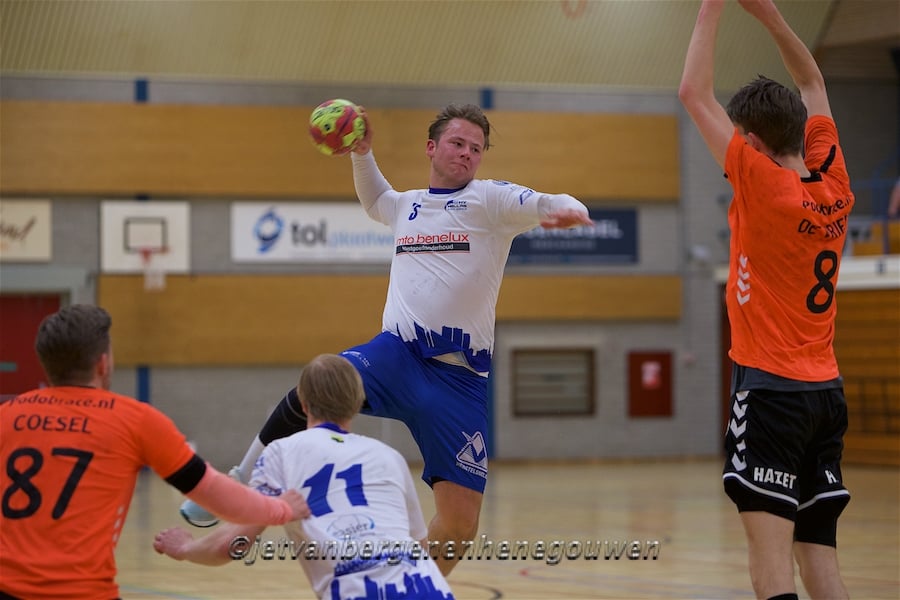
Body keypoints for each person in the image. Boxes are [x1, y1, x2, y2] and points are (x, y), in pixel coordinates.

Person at [180, 102, 593, 574]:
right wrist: (362, 153)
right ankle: (239, 481)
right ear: (431, 147)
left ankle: (407, 585)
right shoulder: (407, 205)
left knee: (460, 525)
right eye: (458, 143)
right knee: (314, 386)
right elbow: (377, 200)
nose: (467, 153)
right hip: (397, 354)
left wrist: (569, 210)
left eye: (476, 148)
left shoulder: (489, 200)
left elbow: (549, 201)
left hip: (458, 382)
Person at [679, 1, 853, 598]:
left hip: (772, 394)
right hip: (825, 392)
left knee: (770, 559)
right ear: (800, 131)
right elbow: (813, 83)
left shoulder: (760, 182)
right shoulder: (834, 181)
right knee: (821, 562)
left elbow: (692, 93)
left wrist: (714, 5)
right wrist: (772, 15)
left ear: (751, 142)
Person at [0, 304, 310, 600]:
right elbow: (214, 494)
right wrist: (280, 508)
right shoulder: (135, 421)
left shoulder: (6, 416)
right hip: (83, 591)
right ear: (103, 363)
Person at [155, 353, 455, 600]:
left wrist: (185, 548)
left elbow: (232, 544)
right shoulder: (390, 457)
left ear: (302, 402)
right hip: (430, 589)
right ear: (358, 400)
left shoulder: (281, 454)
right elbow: (421, 549)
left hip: (357, 590)